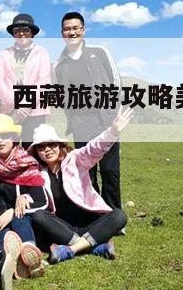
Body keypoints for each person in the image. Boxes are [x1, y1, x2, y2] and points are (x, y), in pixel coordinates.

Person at [26, 107, 131, 264]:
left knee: (119, 216)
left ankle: (71, 250)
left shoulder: (75, 160)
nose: (47, 150)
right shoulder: (40, 174)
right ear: (37, 152)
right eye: (41, 147)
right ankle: (93, 246)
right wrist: (24, 197)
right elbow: (33, 196)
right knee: (39, 216)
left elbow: (93, 149)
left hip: (90, 223)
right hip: (64, 228)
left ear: (60, 146)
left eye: (51, 144)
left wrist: (113, 132)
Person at [53, 11, 123, 211]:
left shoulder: (99, 52)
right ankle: (94, 213)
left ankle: (114, 215)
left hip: (105, 120)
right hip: (81, 124)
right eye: (67, 29)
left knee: (110, 170)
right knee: (87, 172)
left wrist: (115, 113)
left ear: (83, 30)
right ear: (62, 33)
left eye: (76, 28)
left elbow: (115, 81)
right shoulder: (59, 65)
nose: (72, 32)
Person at [0, 114, 48, 280]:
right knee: (5, 235)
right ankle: (13, 262)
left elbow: (42, 201)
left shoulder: (28, 163)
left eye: (5, 136)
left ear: (13, 138)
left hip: (22, 218)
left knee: (20, 217)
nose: (1, 141)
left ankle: (29, 252)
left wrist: (12, 211)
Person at [0, 13, 51, 149]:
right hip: (10, 110)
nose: (21, 33)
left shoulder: (42, 52)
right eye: (17, 31)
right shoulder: (4, 53)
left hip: (35, 111)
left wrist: (25, 106)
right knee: (8, 148)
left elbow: (43, 82)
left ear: (32, 33)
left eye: (25, 30)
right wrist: (13, 102)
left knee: (31, 149)